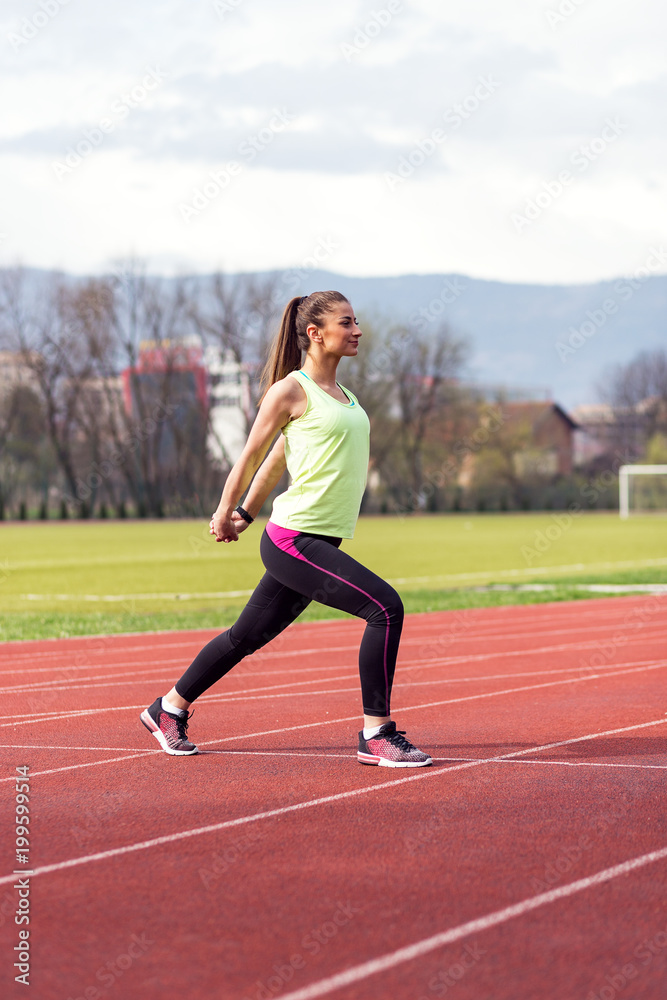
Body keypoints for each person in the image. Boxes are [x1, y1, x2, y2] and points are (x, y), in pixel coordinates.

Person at [140, 291, 432, 767]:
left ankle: (167, 708)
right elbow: (253, 454)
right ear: (315, 333)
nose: (357, 330)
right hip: (295, 539)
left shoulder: (345, 396)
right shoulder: (290, 389)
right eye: (347, 322)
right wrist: (225, 511)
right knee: (385, 608)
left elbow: (281, 457)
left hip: (317, 537)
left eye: (356, 321)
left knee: (245, 637)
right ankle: (376, 734)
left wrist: (249, 513)